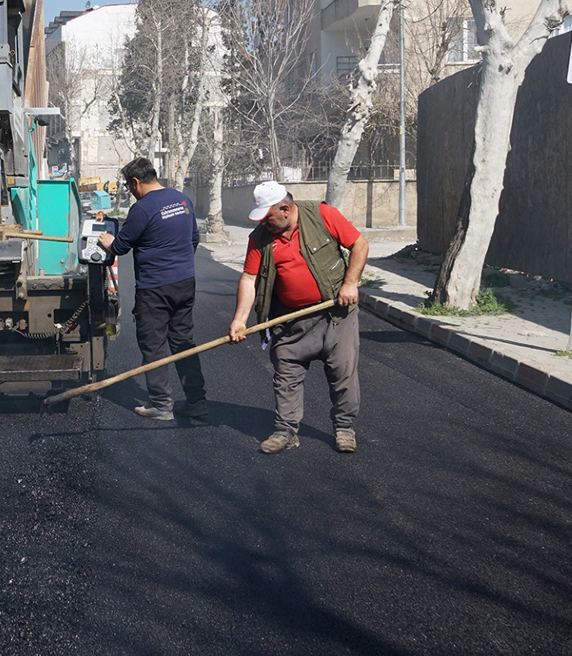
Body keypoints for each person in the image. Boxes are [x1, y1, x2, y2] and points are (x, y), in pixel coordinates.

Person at [228, 181, 369, 454]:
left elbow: (359, 244)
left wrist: (351, 283)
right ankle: (286, 431)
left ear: (285, 208)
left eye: (268, 217)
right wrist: (239, 320)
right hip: (289, 320)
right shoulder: (260, 238)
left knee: (342, 374)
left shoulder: (322, 215)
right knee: (285, 377)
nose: (264, 223)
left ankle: (344, 428)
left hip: (334, 316)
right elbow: (249, 278)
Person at [97, 157, 206, 420]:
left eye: (128, 186)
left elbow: (121, 247)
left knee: (153, 344)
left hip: (154, 289)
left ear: (135, 182)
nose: (130, 191)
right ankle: (197, 401)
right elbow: (194, 239)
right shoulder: (182, 200)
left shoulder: (142, 208)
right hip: (185, 283)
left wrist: (108, 241)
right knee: (183, 342)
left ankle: (161, 404)